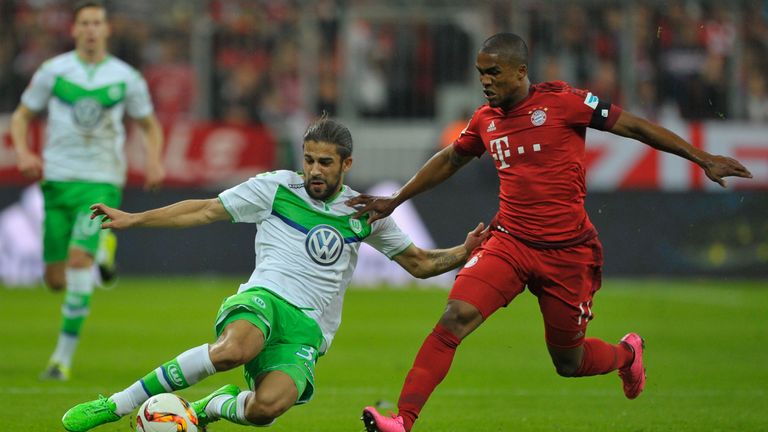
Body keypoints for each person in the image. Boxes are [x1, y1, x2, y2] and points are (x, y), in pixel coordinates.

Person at [351, 33, 753, 432]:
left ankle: (627, 356)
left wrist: (701, 157)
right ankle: (403, 421)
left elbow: (632, 126)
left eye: (494, 72)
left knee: (569, 362)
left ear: (520, 71)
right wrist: (396, 199)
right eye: (480, 73)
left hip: (568, 252)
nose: (485, 81)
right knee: (454, 318)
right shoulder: (485, 120)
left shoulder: (564, 102)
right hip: (509, 242)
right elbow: (451, 159)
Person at [60, 116, 488, 432]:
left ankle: (210, 408)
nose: (315, 171)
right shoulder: (276, 188)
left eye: (325, 163)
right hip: (264, 297)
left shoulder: (365, 213)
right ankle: (116, 405)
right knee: (233, 350)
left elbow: (420, 264)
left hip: (308, 329)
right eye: (309, 161)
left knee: (267, 408)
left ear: (347, 165)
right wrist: (134, 219)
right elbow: (205, 209)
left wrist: (464, 251)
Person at [10, 0, 165, 381]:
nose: (92, 29)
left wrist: (155, 160)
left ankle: (60, 361)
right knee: (55, 279)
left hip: (101, 179)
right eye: (85, 23)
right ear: (74, 29)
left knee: (79, 260)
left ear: (107, 30)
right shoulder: (53, 71)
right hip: (57, 181)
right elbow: (22, 115)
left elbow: (149, 125)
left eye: (98, 22)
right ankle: (105, 247)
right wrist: (24, 150)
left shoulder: (125, 77)